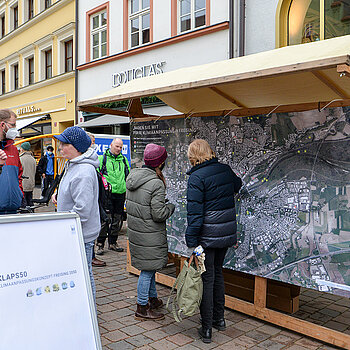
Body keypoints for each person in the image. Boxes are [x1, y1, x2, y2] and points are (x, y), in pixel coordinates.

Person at [185, 139, 242, 344]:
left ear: (193, 155)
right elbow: (238, 185)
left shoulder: (196, 177)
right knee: (217, 273)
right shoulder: (225, 170)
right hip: (225, 234)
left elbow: (195, 214)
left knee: (207, 278)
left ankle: (206, 328)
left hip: (206, 238)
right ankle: (219, 319)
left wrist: (192, 240)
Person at [126, 143, 175, 321]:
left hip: (138, 232)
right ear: (160, 163)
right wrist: (170, 206)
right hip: (150, 234)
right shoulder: (155, 183)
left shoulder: (133, 176)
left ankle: (152, 300)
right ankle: (142, 307)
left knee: (150, 267)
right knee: (147, 271)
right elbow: (158, 214)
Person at [52, 126, 101, 299]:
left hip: (82, 233)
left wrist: (63, 226)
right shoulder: (72, 164)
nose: (60, 147)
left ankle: (90, 317)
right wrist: (60, 195)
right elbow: (72, 190)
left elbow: (82, 211)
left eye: (64, 144)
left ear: (77, 148)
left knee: (85, 274)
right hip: (73, 231)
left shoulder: (84, 171)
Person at [96, 138, 130, 254]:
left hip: (120, 194)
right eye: (117, 146)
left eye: (121, 147)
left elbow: (128, 175)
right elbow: (97, 176)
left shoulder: (124, 160)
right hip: (107, 195)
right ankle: (100, 244)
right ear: (111, 145)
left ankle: (112, 243)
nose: (119, 149)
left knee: (117, 219)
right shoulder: (102, 159)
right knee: (106, 219)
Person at [85, 131, 107, 268]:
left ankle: (91, 256)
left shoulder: (95, 160)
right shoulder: (86, 165)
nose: (94, 145)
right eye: (92, 142)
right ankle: (91, 257)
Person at [0, 109, 23, 214]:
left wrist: (19, 194)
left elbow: (19, 175)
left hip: (12, 209)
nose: (15, 129)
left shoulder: (13, 149)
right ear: (2, 125)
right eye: (13, 125)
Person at [19, 142, 36, 207]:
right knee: (30, 201)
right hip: (31, 183)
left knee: (24, 203)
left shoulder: (21, 159)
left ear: (23, 149)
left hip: (23, 184)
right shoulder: (33, 159)